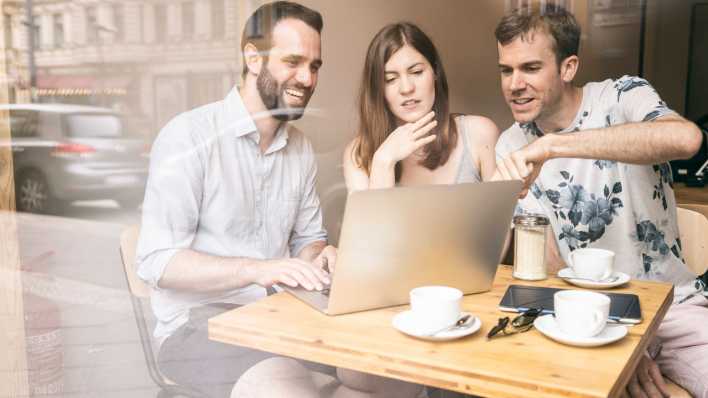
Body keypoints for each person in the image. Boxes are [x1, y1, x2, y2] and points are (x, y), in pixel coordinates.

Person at [492, 4, 708, 397]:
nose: (514, 84)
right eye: (506, 70)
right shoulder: (510, 144)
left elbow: (686, 139)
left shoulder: (624, 94)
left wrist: (555, 145)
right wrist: (612, 334)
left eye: (530, 68)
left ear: (568, 67)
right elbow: (551, 261)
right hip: (588, 316)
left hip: (675, 309)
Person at [135, 2, 336, 397]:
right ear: (253, 58)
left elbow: (307, 241)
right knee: (289, 390)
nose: (307, 78)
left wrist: (319, 257)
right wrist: (259, 269)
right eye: (293, 61)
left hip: (277, 318)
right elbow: (156, 261)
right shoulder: (188, 137)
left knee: (383, 378)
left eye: (315, 66)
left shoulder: (301, 149)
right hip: (196, 328)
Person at [343, 22, 500, 192]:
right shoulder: (360, 153)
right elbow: (372, 220)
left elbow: (503, 216)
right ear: (378, 89)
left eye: (417, 72)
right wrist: (383, 161)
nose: (406, 88)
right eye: (390, 79)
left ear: (435, 73)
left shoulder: (479, 134)